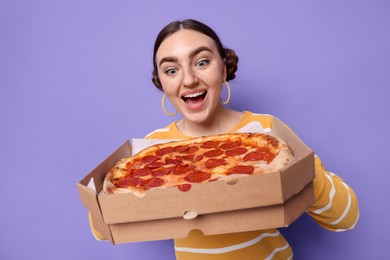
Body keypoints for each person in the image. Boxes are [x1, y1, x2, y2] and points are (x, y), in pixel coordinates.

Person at [90, 19, 359, 259]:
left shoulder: (265, 132)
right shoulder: (152, 148)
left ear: (224, 67)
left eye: (202, 62)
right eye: (171, 70)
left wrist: (299, 171)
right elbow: (102, 229)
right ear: (161, 83)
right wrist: (102, 203)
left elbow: (346, 218)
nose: (189, 80)